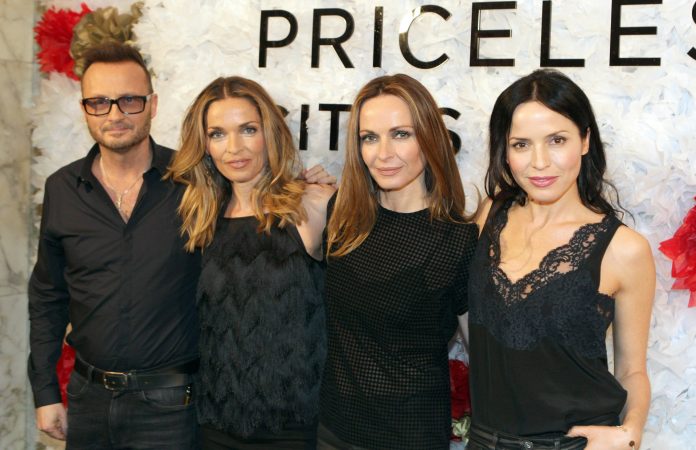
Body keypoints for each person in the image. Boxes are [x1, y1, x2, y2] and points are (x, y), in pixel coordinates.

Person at [467, 69, 655, 450]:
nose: (539, 162)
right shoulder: (489, 215)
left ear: (585, 140)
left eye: (557, 140)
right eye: (521, 144)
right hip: (485, 441)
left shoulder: (624, 249)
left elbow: (632, 369)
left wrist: (631, 432)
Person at [28, 42, 201, 449]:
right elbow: (48, 296)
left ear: (153, 105)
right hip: (88, 401)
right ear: (85, 108)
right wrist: (46, 392)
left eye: (129, 100)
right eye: (99, 102)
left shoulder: (194, 182)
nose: (115, 115)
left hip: (172, 407)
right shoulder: (62, 188)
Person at [166, 76, 335, 449]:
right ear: (204, 144)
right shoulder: (201, 217)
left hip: (295, 428)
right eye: (218, 134)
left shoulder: (311, 206)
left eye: (248, 129)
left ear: (269, 133)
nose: (234, 148)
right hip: (215, 424)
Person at [319, 74, 478, 449]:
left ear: (430, 138)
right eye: (369, 137)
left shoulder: (457, 239)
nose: (383, 153)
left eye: (401, 134)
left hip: (410, 436)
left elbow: (484, 358)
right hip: (332, 431)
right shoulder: (341, 217)